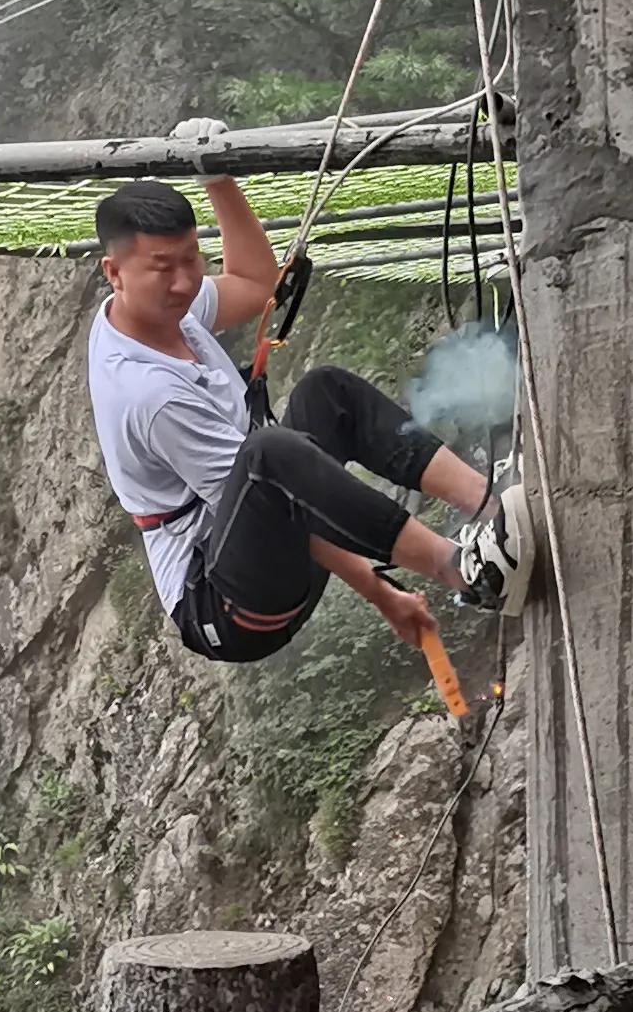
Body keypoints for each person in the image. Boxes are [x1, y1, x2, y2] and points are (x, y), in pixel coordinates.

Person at [87, 153, 532, 670]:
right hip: (226, 605)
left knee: (325, 394)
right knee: (269, 453)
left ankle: (491, 504)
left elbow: (257, 285)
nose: (185, 282)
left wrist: (217, 178)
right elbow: (281, 495)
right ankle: (467, 571)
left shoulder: (166, 311)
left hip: (268, 539)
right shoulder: (148, 395)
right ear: (114, 272)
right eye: (164, 268)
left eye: (192, 258)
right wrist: (382, 592)